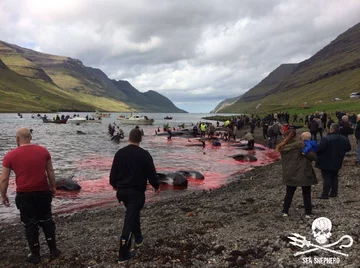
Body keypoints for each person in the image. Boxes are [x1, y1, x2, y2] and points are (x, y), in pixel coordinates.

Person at [0, 128, 60, 264]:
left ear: (17, 139)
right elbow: (50, 170)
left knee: (29, 224)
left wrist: (3, 195)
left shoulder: (10, 155)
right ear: (30, 138)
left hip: (24, 194)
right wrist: (53, 187)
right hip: (43, 192)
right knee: (47, 220)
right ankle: (53, 250)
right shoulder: (43, 151)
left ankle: (35, 255)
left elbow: (4, 179)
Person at [109, 128, 159, 262]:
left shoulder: (120, 153)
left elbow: (113, 173)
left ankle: (138, 237)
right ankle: (123, 254)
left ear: (129, 138)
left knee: (133, 213)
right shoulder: (145, 155)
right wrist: (156, 186)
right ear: (140, 139)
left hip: (122, 192)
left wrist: (113, 184)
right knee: (129, 220)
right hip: (136, 193)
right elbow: (151, 173)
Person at [276, 130, 317, 218]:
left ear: (284, 137)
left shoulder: (283, 148)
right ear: (296, 136)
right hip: (303, 172)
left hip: (289, 172)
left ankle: (285, 211)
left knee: (289, 192)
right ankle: (308, 212)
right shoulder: (301, 146)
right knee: (306, 192)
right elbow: (313, 157)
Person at [316, 123, 351, 199]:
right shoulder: (344, 138)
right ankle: (334, 192)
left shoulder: (326, 139)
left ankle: (325, 194)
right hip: (338, 159)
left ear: (331, 129)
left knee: (327, 177)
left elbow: (319, 149)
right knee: (335, 176)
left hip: (326, 160)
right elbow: (348, 148)